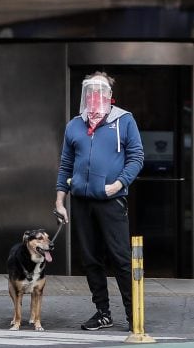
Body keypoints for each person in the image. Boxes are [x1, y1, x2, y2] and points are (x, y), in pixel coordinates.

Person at [54, 71, 144, 331]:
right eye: (90, 90)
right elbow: (66, 165)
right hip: (82, 201)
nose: (95, 94)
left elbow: (137, 157)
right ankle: (102, 312)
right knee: (91, 258)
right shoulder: (75, 124)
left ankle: (133, 315)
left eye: (101, 89)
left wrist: (118, 184)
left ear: (109, 93)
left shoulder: (124, 120)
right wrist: (60, 200)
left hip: (111, 200)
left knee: (121, 258)